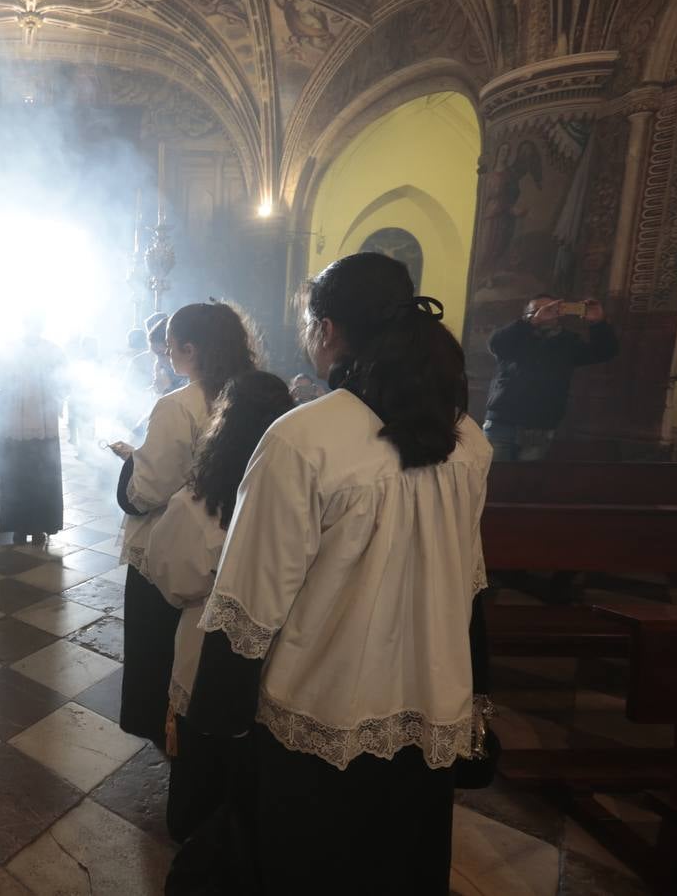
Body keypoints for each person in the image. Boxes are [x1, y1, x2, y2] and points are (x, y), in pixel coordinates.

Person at [189, 253, 491, 894]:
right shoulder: (468, 439)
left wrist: (217, 731)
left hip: (319, 718)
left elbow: (248, 603)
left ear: (326, 331)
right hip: (429, 707)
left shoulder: (303, 439)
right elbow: (469, 585)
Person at [145, 370, 293, 861]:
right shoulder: (301, 498)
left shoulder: (198, 502)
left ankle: (202, 842)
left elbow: (172, 580)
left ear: (222, 426)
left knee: (206, 759)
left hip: (207, 649)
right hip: (285, 652)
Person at [109, 302, 259, 745]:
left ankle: (164, 726)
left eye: (170, 348)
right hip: (228, 542)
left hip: (171, 547)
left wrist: (131, 464)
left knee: (157, 644)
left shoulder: (179, 405)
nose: (166, 357)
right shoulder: (251, 392)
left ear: (189, 349)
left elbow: (148, 491)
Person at [485, 294, 619, 460]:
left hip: (541, 424)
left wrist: (598, 322)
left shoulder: (567, 341)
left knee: (525, 481)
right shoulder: (515, 336)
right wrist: (533, 322)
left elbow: (604, 352)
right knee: (491, 478)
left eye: (552, 309)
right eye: (540, 310)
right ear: (526, 315)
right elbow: (495, 344)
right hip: (503, 422)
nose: (547, 314)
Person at [0, 315, 67, 543]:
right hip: (17, 423)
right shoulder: (11, 350)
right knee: (18, 475)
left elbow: (64, 381)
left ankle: (40, 525)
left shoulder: (53, 351)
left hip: (43, 424)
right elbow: (0, 379)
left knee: (42, 476)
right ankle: (19, 524)